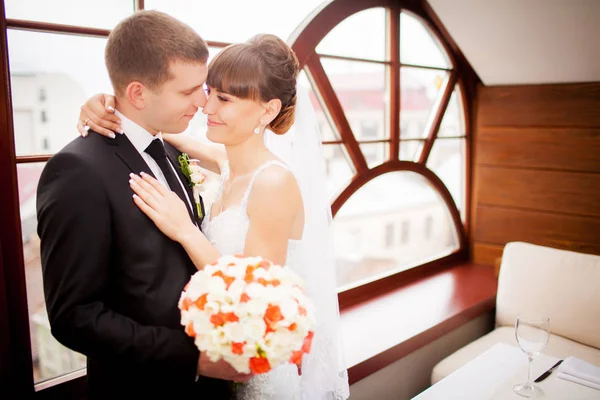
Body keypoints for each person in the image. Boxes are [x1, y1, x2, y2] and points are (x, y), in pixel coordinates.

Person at [77, 33, 349, 400]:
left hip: (260, 379)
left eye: (224, 99)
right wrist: (106, 105)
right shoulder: (228, 163)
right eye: (210, 92)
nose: (207, 107)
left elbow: (253, 299)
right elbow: (158, 133)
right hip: (220, 372)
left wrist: (186, 231)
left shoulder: (273, 183)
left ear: (267, 111)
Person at [36, 11, 250, 399]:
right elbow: (73, 316)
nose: (203, 103)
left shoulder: (169, 146)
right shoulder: (77, 171)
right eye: (188, 92)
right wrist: (192, 359)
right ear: (137, 93)